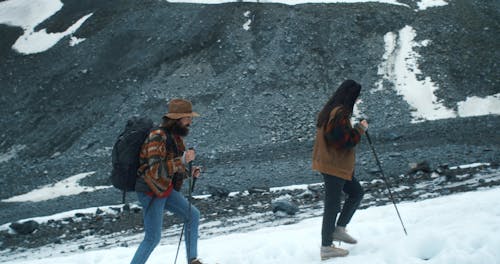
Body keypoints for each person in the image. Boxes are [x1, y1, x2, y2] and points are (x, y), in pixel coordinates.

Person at [131, 98, 203, 264]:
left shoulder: (176, 138)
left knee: (193, 215)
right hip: (151, 191)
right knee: (152, 238)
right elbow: (155, 171)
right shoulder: (157, 137)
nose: (190, 122)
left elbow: (174, 168)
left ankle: (192, 260)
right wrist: (183, 160)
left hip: (164, 189)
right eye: (188, 118)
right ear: (177, 119)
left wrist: (189, 172)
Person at [312, 80, 368, 261]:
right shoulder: (339, 114)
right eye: (357, 96)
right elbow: (343, 141)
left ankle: (339, 229)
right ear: (350, 96)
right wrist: (360, 129)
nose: (358, 99)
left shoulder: (331, 110)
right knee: (332, 205)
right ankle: (327, 247)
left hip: (336, 165)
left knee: (356, 192)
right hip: (334, 166)